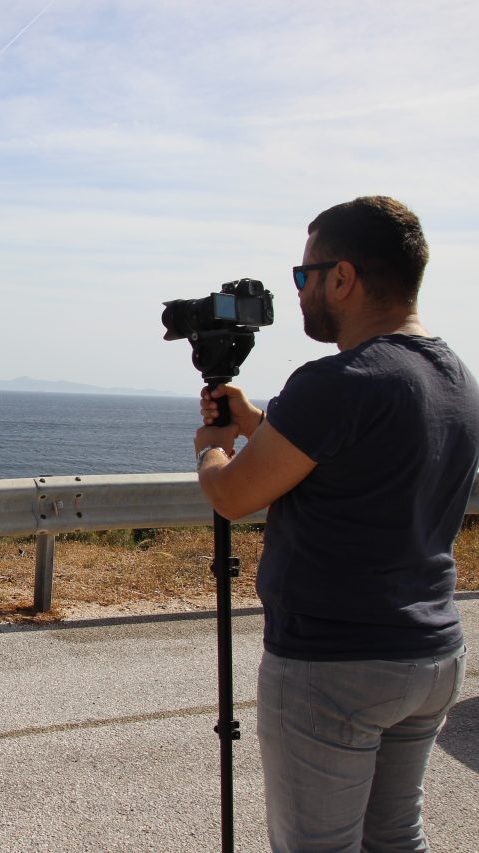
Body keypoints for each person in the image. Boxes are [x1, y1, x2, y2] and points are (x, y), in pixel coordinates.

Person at [193, 197, 476, 851]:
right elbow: (352, 457)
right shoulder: (454, 375)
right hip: (430, 653)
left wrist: (211, 445)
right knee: (395, 838)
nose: (299, 290)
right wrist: (256, 422)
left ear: (343, 277)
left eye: (304, 274)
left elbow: (232, 495)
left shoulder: (336, 381)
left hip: (334, 664)